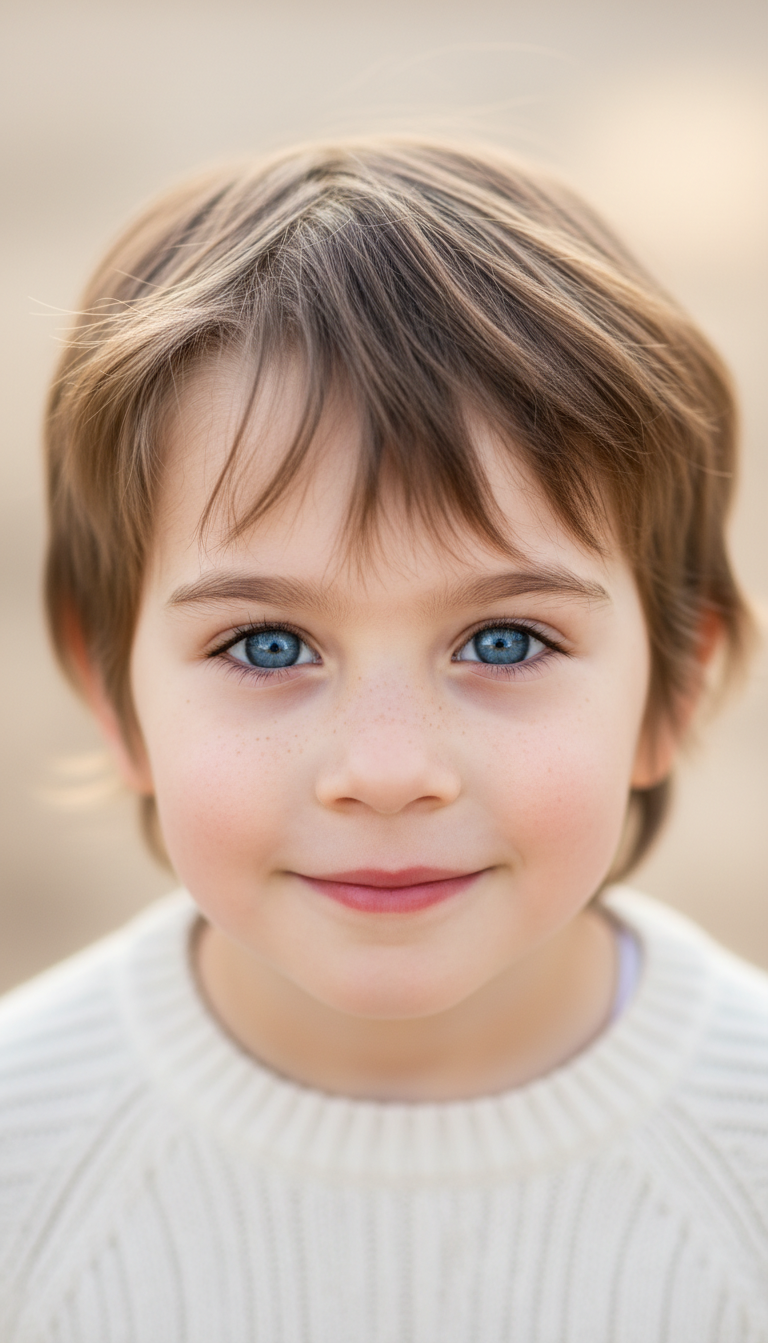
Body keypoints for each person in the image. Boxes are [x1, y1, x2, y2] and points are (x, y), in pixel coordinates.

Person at [1, 138, 766, 1342]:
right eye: (266, 647)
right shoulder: (25, 1168)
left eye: (506, 642)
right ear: (110, 687)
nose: (390, 771)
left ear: (676, 687)